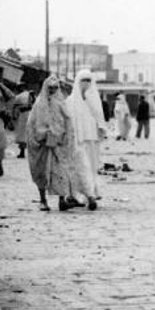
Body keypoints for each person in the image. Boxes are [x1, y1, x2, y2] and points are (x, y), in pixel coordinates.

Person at [26, 75, 78, 212]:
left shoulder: (61, 104)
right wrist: (43, 135)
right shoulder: (39, 105)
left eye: (55, 88)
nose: (53, 90)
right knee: (42, 172)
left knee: (60, 172)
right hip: (42, 146)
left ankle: (62, 200)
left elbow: (67, 123)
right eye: (50, 88)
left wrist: (62, 136)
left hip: (58, 145)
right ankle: (43, 200)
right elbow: (32, 125)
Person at [68, 69, 105, 211]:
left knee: (92, 166)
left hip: (92, 139)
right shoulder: (71, 101)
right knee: (81, 167)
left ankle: (92, 193)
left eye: (89, 80)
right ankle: (79, 194)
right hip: (78, 139)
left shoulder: (94, 100)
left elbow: (99, 118)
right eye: (84, 80)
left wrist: (101, 128)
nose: (86, 84)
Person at [11, 84, 34, 158]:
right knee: (30, 134)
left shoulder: (19, 96)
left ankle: (22, 152)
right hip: (31, 115)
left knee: (22, 135)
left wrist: (13, 117)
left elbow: (13, 106)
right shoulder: (32, 95)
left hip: (23, 115)